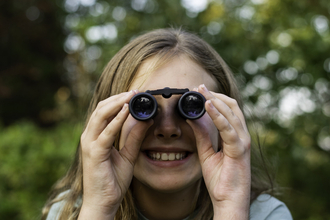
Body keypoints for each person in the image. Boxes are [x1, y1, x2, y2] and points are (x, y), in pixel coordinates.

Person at [41, 28, 292, 220]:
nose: (168, 129)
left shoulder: (264, 214)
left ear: (226, 121)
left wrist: (230, 206)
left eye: (191, 107)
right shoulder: (72, 212)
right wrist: (100, 207)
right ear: (107, 122)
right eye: (142, 107)